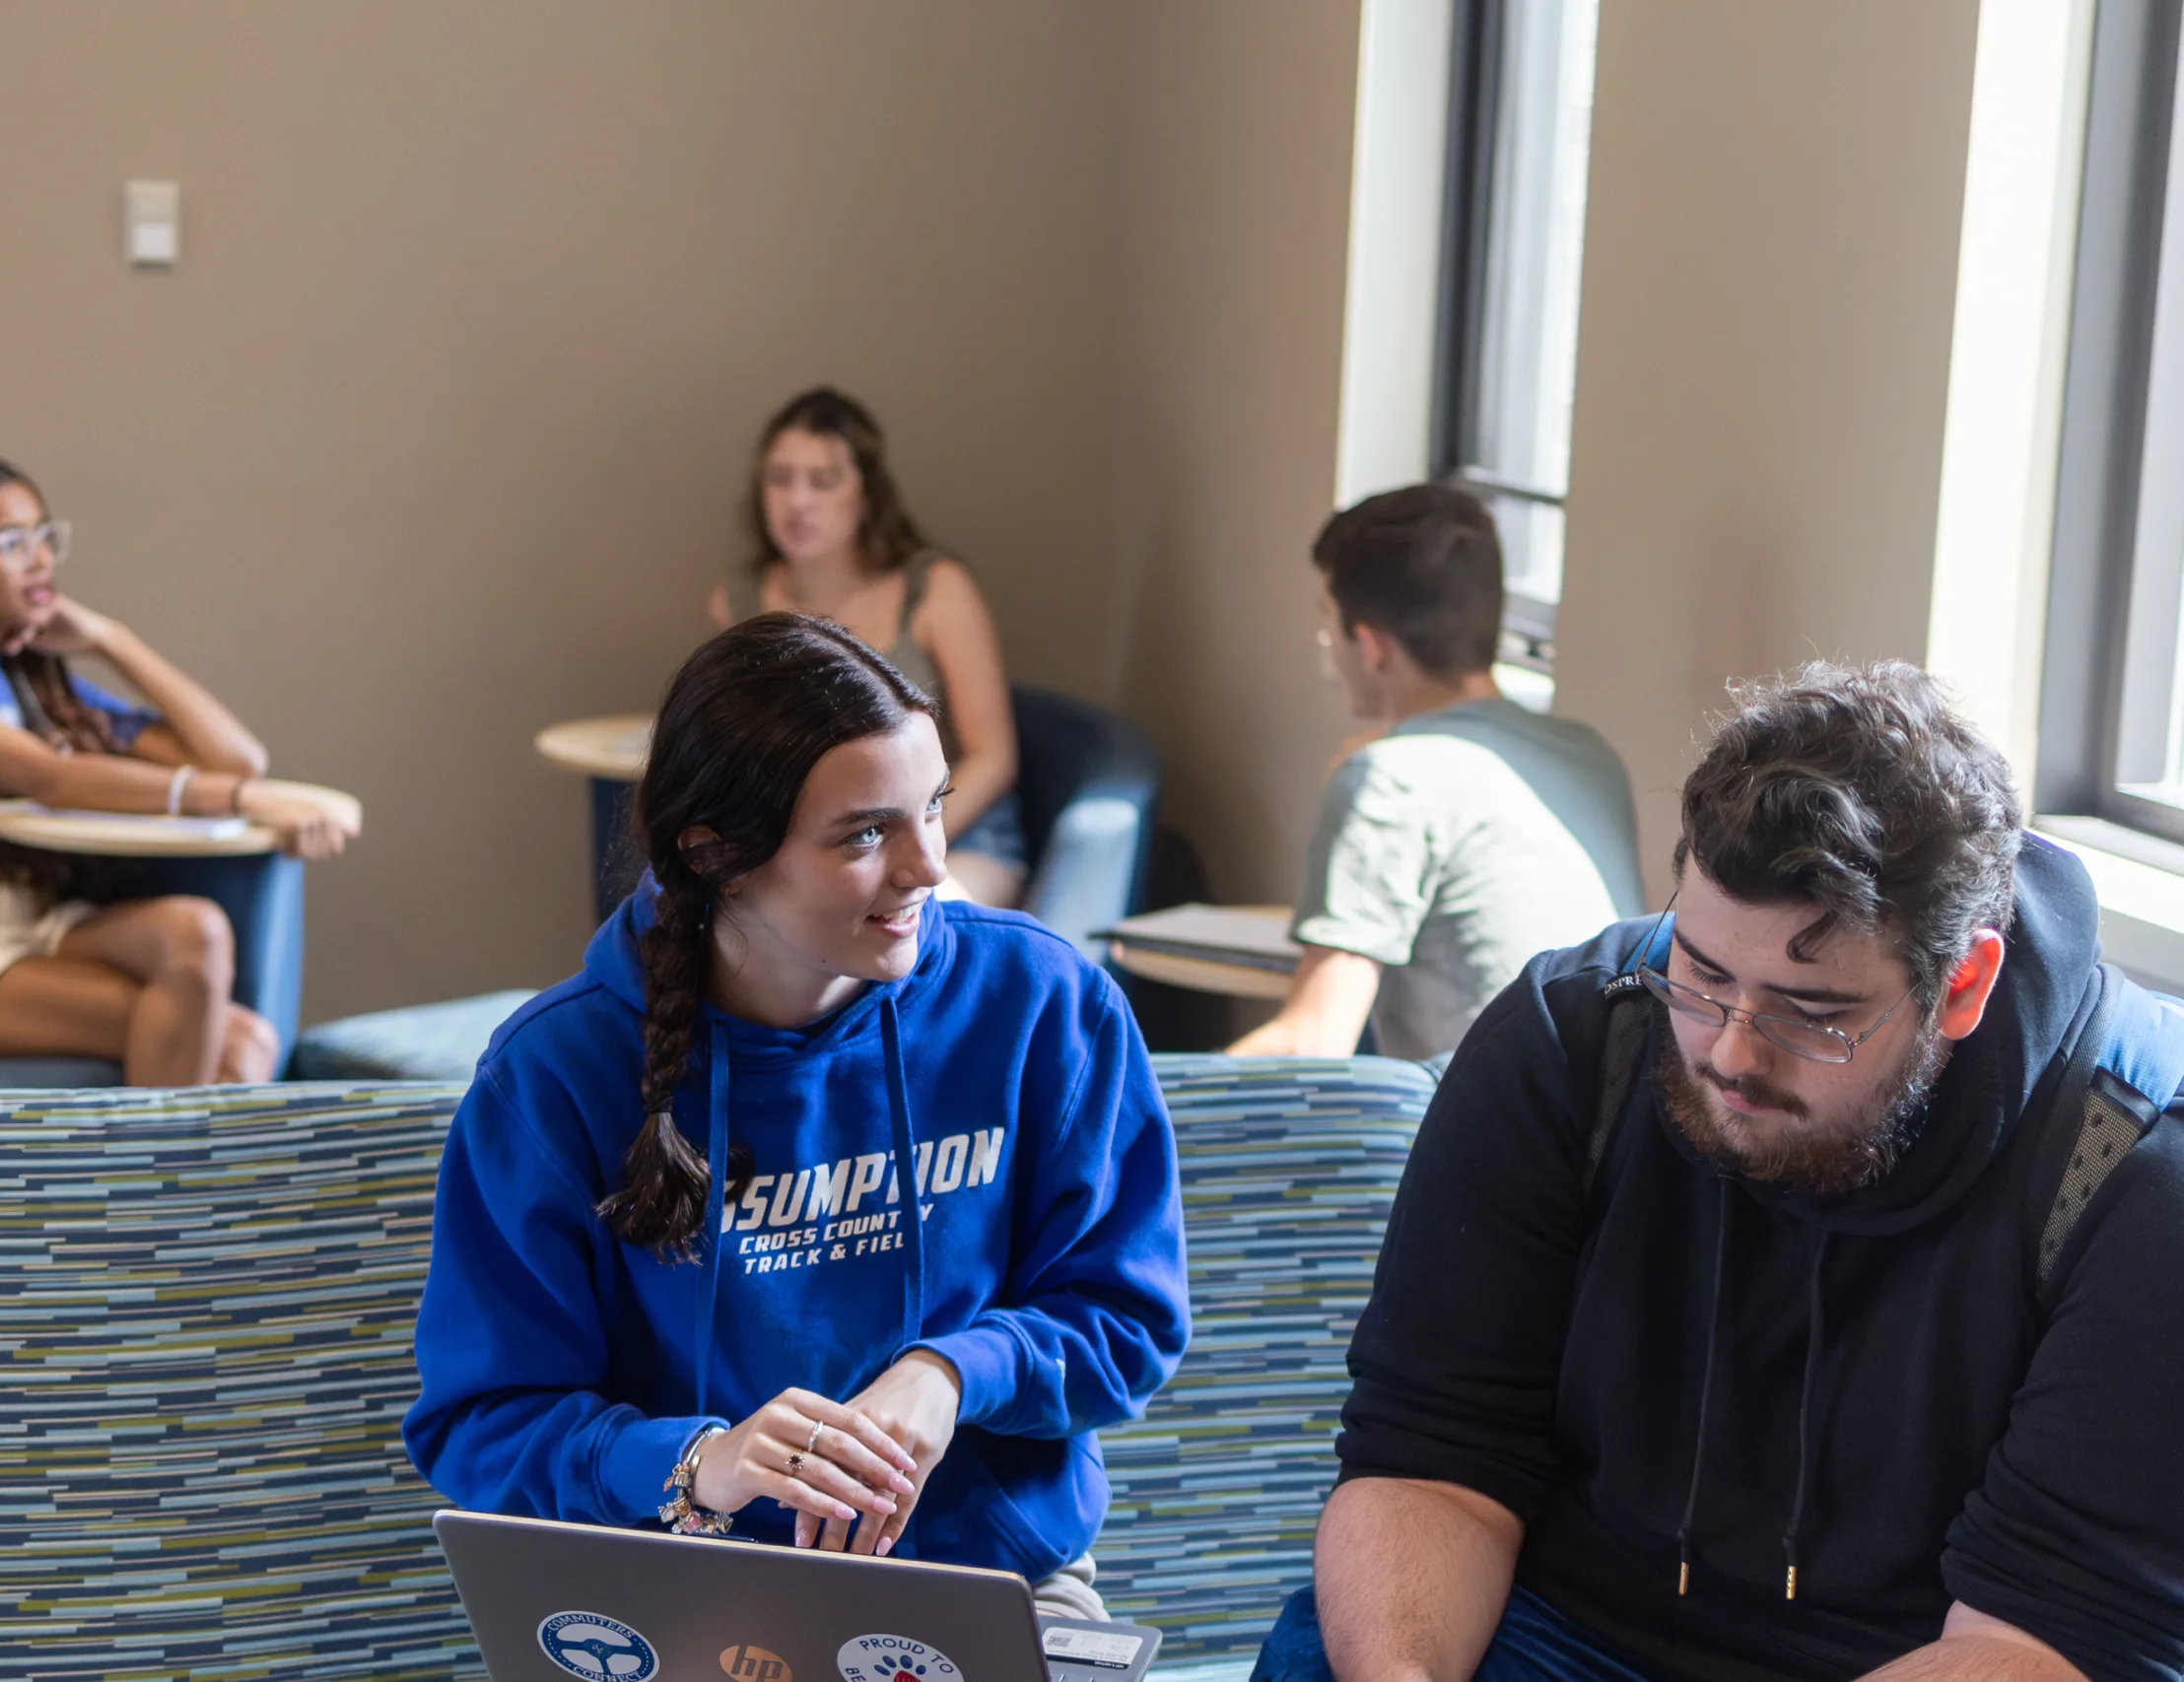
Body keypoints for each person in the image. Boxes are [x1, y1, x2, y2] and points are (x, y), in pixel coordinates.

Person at [1256, 662, 2184, 1682]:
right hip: (1556, 1624)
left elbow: (2041, 1637)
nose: (1732, 1054)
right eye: (1700, 975)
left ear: (1959, 985)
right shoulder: (1571, 1039)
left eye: (1810, 1012)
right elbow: (1434, 1462)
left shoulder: (2133, 1169)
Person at [404, 613, 1188, 1617]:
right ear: (715, 853)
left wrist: (951, 1372)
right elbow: (481, 1423)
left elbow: (1129, 1319)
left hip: (992, 1581)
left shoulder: (1041, 1001)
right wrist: (700, 1463)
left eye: (934, 808)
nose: (928, 868)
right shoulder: (556, 1073)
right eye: (866, 832)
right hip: (678, 1600)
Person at [0, 452, 355, 1084]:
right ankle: (153, 1183)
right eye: (9, 543)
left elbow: (237, 757)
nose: (40, 559)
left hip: (16, 913)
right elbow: (49, 777)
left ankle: (162, 1180)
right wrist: (240, 800)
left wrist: (109, 639)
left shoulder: (24, 680)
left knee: (198, 934)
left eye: (45, 537)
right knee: (233, 1045)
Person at [1232, 484, 1641, 1061]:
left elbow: (1313, 1043)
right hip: (1604, 1123)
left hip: (1481, 1132)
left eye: (1328, 620)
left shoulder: (1385, 778)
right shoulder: (1588, 754)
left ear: (1372, 645)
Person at [709, 386, 1028, 907]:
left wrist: (903, 835)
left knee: (918, 917)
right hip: (819, 840)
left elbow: (994, 756)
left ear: (865, 495)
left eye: (823, 480)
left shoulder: (936, 588)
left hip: (954, 834)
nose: (798, 500)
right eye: (781, 478)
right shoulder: (739, 601)